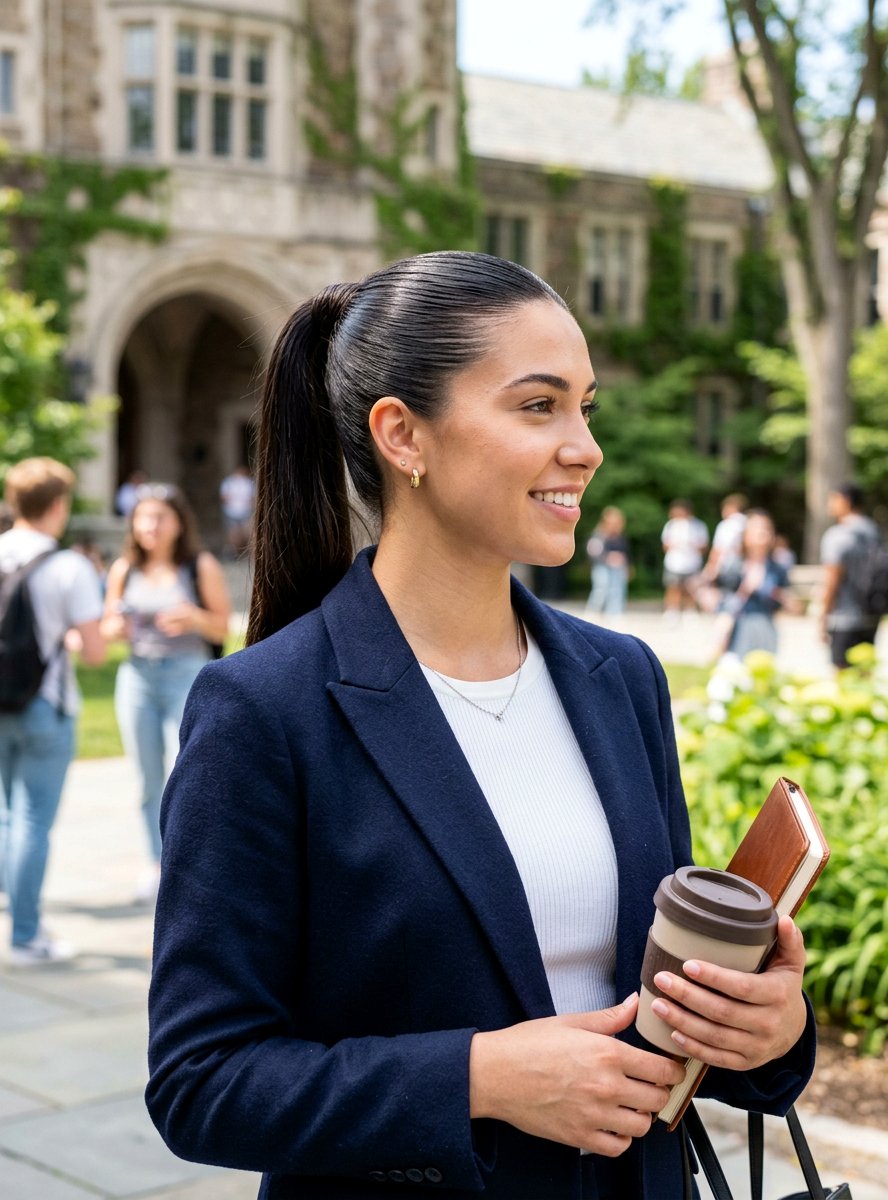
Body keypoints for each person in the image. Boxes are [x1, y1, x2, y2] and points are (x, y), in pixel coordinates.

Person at [146, 253, 814, 1200]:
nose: (583, 445)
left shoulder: (620, 677)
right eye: (539, 406)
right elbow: (200, 1081)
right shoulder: (264, 711)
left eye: (586, 407)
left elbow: (656, 990)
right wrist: (478, 1080)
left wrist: (766, 1029)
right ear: (402, 435)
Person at [100, 484, 230, 903]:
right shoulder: (124, 569)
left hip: (185, 674)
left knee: (186, 771)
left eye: (160, 517)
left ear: (178, 522)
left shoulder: (199, 565)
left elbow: (222, 627)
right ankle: (156, 862)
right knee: (145, 777)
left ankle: (189, 861)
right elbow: (107, 626)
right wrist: (116, 627)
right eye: (143, 517)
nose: (151, 526)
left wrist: (193, 617)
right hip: (137, 675)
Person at [0, 458, 106, 963]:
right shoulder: (69, 568)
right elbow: (94, 652)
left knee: (5, 817)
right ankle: (25, 934)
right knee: (32, 821)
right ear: (59, 505)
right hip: (45, 704)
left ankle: (14, 903)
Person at [712, 509, 796, 661]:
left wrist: (778, 595)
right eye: (756, 528)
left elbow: (789, 604)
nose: (762, 533)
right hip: (739, 628)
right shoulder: (734, 566)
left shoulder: (777, 568)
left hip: (766, 627)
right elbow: (723, 603)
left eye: (766, 528)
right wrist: (746, 588)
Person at [818, 483, 883, 669]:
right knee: (864, 673)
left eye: (833, 499)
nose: (829, 504)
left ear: (845, 501)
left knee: (843, 678)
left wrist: (822, 617)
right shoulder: (873, 531)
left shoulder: (838, 535)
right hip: (872, 612)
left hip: (843, 617)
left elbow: (832, 580)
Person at [660, 498, 708, 618]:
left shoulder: (698, 526)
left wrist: (691, 544)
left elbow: (704, 545)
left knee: (691, 588)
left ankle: (689, 611)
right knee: (672, 587)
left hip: (692, 562)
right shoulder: (670, 525)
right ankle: (672, 611)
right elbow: (665, 545)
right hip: (674, 562)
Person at [585, 506, 631, 616]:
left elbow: (626, 552)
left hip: (618, 568)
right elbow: (593, 552)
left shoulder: (620, 537)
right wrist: (608, 558)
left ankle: (614, 614)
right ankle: (593, 612)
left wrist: (627, 566)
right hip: (602, 566)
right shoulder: (599, 535)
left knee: (617, 591)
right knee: (601, 589)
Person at [704, 493, 747, 582]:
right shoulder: (748, 521)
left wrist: (711, 567)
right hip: (746, 567)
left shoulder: (726, 524)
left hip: (727, 566)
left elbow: (719, 548)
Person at [219, 464, 255, 558]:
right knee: (233, 533)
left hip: (245, 512)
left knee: (247, 532)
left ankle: (249, 553)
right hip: (231, 512)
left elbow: (252, 498)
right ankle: (234, 552)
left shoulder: (248, 483)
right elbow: (223, 497)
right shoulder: (228, 482)